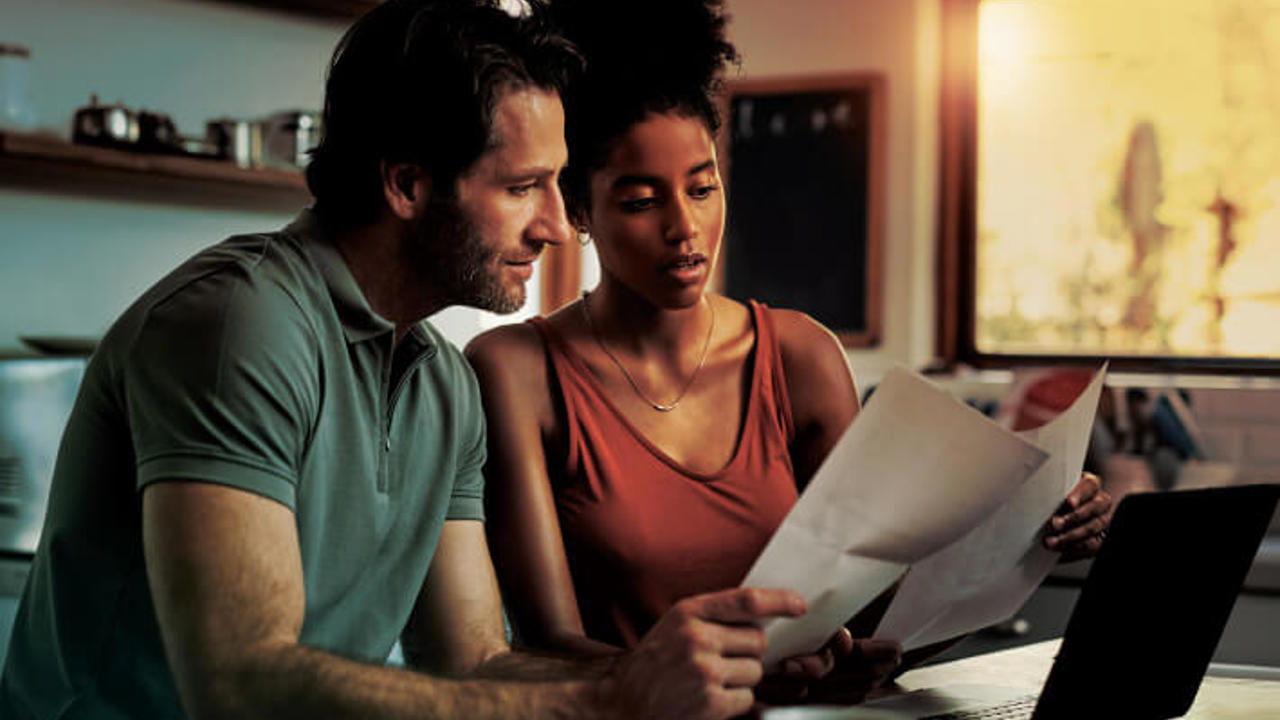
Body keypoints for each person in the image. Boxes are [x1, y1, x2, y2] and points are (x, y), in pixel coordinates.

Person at [0, 2, 816, 719]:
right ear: (406, 184)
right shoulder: (238, 324)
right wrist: (610, 701)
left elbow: (473, 662)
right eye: (523, 186)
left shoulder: (442, 380)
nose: (558, 227)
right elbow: (240, 683)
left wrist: (712, 674)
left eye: (559, 186)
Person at [465, 0, 1113, 703]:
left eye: (703, 187)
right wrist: (739, 677)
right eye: (641, 200)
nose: (686, 227)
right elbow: (544, 646)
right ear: (578, 210)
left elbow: (882, 617)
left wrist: (1030, 539)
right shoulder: (517, 371)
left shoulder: (798, 357)